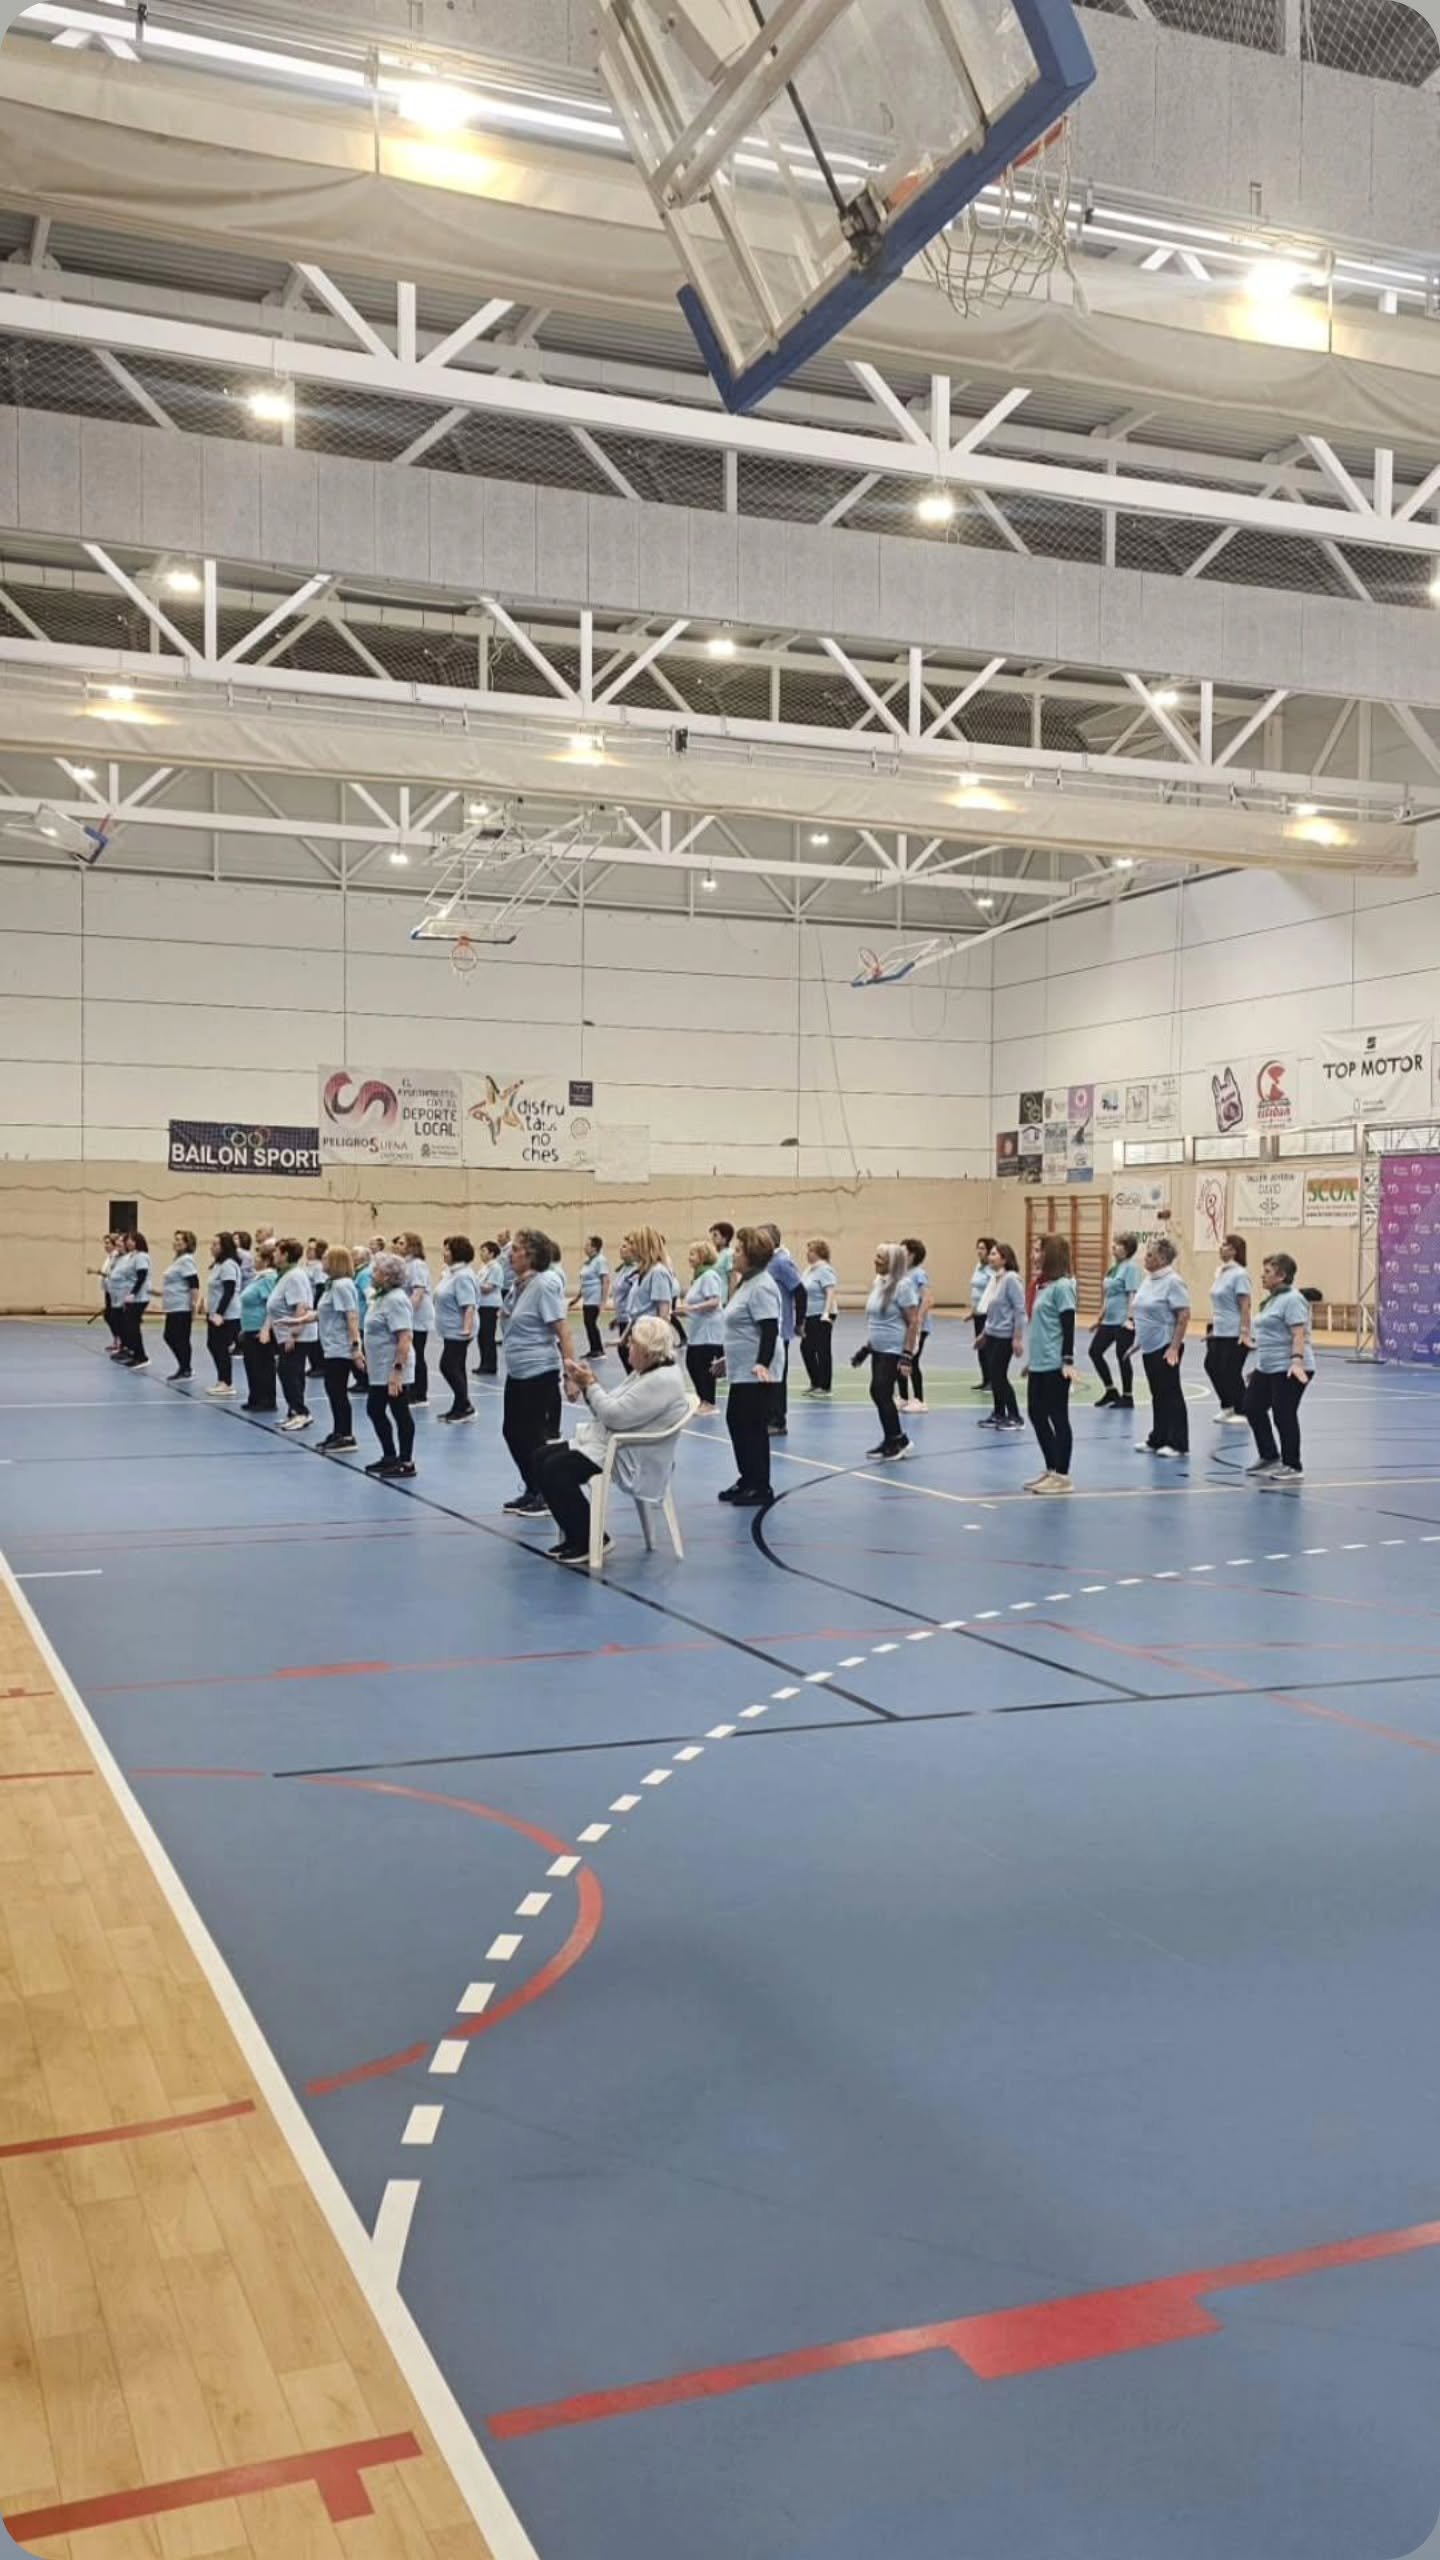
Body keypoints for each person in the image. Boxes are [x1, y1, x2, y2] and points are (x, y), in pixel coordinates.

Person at [531, 1315, 692, 1563]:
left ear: (648, 1352)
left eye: (633, 1344)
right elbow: (611, 1409)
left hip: (630, 1454)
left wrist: (590, 1385)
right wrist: (588, 1385)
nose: (627, 1347)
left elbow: (614, 1415)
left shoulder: (661, 1380)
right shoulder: (646, 1372)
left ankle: (591, 1540)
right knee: (540, 1457)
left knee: (556, 1469)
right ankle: (577, 1534)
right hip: (616, 1442)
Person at [500, 1229, 574, 1518]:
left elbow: (563, 1331)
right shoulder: (520, 1286)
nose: (509, 1253)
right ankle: (533, 1487)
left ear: (529, 1255)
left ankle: (546, 1493)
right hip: (517, 1370)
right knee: (511, 1432)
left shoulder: (544, 1285)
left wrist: (570, 1374)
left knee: (531, 1436)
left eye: (515, 1249)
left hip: (538, 1370)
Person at [719, 1226, 782, 1506]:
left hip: (757, 1373)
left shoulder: (762, 1286)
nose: (734, 1254)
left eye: (739, 1250)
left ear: (752, 1255)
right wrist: (727, 1360)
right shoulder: (747, 1282)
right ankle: (748, 1479)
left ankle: (761, 1485)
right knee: (737, 1422)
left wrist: (761, 1364)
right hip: (742, 1369)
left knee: (752, 1427)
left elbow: (769, 1330)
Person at [1245, 1253, 1314, 1486]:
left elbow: (1298, 1333)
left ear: (1282, 1275)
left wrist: (1296, 1361)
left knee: (1283, 1414)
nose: (1262, 1276)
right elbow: (1268, 1335)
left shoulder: (1293, 1299)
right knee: (1252, 1407)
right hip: (1268, 1366)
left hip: (1289, 1366)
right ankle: (1269, 1456)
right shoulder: (1272, 1300)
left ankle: (1293, 1465)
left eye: (1267, 1272)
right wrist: (1259, 1367)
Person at [856, 1242, 922, 1460]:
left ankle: (898, 1440)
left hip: (894, 1349)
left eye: (881, 1258)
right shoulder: (880, 1283)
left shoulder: (903, 1286)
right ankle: (893, 1438)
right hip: (879, 1349)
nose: (876, 1261)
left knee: (881, 1391)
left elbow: (913, 1321)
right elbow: (878, 1320)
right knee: (879, 1392)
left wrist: (907, 1355)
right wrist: (866, 1349)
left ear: (892, 1262)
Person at [1024, 1233, 1078, 1494]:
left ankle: (1063, 1476)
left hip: (1055, 1364)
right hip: (1039, 1363)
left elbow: (1068, 1326)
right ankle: (1052, 1468)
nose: (1033, 1255)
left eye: (1037, 1250)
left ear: (1050, 1255)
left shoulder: (1063, 1287)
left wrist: (1067, 1360)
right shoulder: (1043, 1286)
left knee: (1058, 1416)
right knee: (1036, 1413)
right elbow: (1040, 1328)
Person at [1132, 1236, 1191, 1458]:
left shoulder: (1173, 1282)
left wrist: (1174, 1347)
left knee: (1171, 1393)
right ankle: (1158, 1438)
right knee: (1157, 1394)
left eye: (1149, 1255)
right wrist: (1138, 1342)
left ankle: (1178, 1442)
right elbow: (1143, 1312)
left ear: (1163, 1259)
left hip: (1166, 1345)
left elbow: (1183, 1315)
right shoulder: (1149, 1280)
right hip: (1149, 1346)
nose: (1145, 1258)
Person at [362, 1250, 417, 1479]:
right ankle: (389, 1456)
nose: (372, 1274)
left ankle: (406, 1461)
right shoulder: (381, 1297)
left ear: (387, 1276)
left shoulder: (396, 1300)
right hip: (378, 1367)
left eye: (376, 1271)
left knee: (399, 1412)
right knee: (375, 1410)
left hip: (393, 1367)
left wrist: (397, 1372)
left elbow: (405, 1338)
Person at [264, 1237, 316, 1430]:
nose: (274, 1255)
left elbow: (300, 1305)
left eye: (277, 1252)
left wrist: (293, 1334)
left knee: (288, 1372)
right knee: (291, 1372)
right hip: (285, 1333)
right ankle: (294, 1411)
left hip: (295, 1335)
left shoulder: (295, 1276)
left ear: (285, 1255)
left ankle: (301, 1412)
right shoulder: (285, 1275)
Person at [976, 1243, 1026, 1431]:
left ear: (1005, 1258)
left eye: (994, 1254)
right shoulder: (995, 1279)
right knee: (994, 1375)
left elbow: (1019, 1310)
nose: (990, 1257)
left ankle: (1015, 1416)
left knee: (999, 1375)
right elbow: (992, 1310)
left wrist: (1017, 1337)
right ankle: (999, 1413)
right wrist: (983, 1334)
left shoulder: (1011, 1279)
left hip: (1005, 1336)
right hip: (993, 1334)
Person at [761, 1225, 804, 1436]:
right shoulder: (766, 1263)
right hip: (767, 1328)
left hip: (780, 1328)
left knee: (777, 1375)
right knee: (767, 1374)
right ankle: (768, 1415)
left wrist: (799, 1322)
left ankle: (778, 1420)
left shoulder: (781, 1263)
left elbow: (800, 1290)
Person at [317, 1245, 361, 1451]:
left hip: (340, 1346)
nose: (322, 1262)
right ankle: (338, 1430)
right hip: (330, 1344)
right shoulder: (332, 1285)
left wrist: (355, 1346)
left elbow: (351, 1316)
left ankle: (346, 1434)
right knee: (333, 1390)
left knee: (337, 1390)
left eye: (326, 1258)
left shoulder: (342, 1285)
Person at [1205, 1232, 1253, 1423]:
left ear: (1234, 1250)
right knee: (1211, 1366)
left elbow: (1245, 1305)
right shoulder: (1220, 1272)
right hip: (1219, 1329)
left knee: (1230, 1371)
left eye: (1225, 1245)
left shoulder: (1240, 1275)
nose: (1221, 1248)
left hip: (1234, 1330)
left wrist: (1244, 1331)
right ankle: (1227, 1406)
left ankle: (1243, 1410)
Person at [1091, 1232, 1141, 1411]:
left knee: (1123, 1357)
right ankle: (1110, 1390)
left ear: (1127, 1249)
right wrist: (1100, 1316)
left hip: (1122, 1321)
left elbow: (1132, 1295)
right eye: (1114, 1243)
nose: (1114, 1246)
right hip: (1109, 1321)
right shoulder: (1113, 1269)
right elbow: (1108, 1295)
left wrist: (1130, 1318)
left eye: (1118, 1244)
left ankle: (1128, 1396)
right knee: (1095, 1352)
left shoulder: (1131, 1268)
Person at [435, 1235, 480, 1422]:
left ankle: (466, 1405)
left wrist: (466, 1328)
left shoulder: (463, 1276)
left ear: (456, 1252)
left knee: (447, 1366)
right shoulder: (451, 1273)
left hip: (459, 1330)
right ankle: (460, 1405)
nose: (443, 1253)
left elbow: (469, 1304)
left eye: (447, 1249)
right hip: (449, 1328)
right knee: (458, 1367)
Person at [618, 1229, 678, 1370]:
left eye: (633, 1243)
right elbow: (636, 1311)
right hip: (639, 1337)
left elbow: (663, 1314)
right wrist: (624, 1337)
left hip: (650, 1343)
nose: (629, 1247)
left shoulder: (658, 1273)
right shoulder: (642, 1273)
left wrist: (657, 1347)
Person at [682, 1239, 726, 1408]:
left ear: (702, 1256)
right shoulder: (698, 1278)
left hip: (708, 1331)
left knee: (702, 1365)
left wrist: (692, 1308)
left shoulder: (709, 1276)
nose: (689, 1258)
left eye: (692, 1254)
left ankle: (709, 1402)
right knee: (693, 1363)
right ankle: (703, 1399)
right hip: (697, 1329)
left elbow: (714, 1301)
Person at [238, 1244, 278, 1411]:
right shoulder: (258, 1277)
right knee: (252, 1365)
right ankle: (255, 1397)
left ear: (267, 1261)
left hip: (260, 1327)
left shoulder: (269, 1278)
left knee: (262, 1366)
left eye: (258, 1258)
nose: (255, 1260)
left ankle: (266, 1399)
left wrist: (265, 1328)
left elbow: (271, 1304)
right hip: (250, 1326)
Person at [396, 1232, 434, 1408]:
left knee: (417, 1353)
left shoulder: (417, 1265)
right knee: (411, 1354)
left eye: (402, 1243)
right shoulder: (405, 1264)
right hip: (408, 1315)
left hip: (417, 1317)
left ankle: (420, 1394)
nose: (398, 1245)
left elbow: (417, 1293)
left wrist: (406, 1313)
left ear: (412, 1246)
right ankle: (410, 1389)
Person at [898, 1237, 933, 1415]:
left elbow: (927, 1298)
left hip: (918, 1326)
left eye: (903, 1251)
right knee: (899, 1359)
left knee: (912, 1360)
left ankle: (919, 1399)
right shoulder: (901, 1275)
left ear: (912, 1255)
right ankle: (903, 1397)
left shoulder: (919, 1274)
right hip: (903, 1325)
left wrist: (918, 1319)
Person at [799, 1238, 839, 1395]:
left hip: (822, 1314)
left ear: (819, 1253)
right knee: (806, 1348)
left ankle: (825, 1385)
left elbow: (830, 1292)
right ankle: (815, 1381)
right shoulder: (809, 1270)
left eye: (811, 1251)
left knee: (822, 1349)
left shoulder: (825, 1270)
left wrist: (826, 1313)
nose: (807, 1254)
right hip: (809, 1314)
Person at [205, 1232, 242, 1394]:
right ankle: (222, 1379)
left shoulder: (228, 1264)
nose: (212, 1248)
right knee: (213, 1345)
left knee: (220, 1346)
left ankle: (226, 1382)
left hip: (228, 1315)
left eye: (216, 1244)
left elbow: (229, 1290)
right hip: (215, 1313)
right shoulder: (218, 1265)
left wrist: (220, 1313)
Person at [160, 1229, 200, 1378]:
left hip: (182, 1306)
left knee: (178, 1337)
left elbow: (194, 1283)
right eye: (175, 1239)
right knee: (171, 1336)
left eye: (180, 1240)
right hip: (173, 1305)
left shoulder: (186, 1260)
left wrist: (194, 1304)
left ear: (187, 1244)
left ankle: (185, 1367)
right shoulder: (178, 1260)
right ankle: (184, 1366)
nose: (176, 1242)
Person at [115, 1229, 152, 1367]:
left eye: (130, 1239)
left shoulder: (141, 1256)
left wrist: (133, 1293)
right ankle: (135, 1353)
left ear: (137, 1241)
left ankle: (141, 1356)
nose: (127, 1242)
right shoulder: (132, 1256)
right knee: (129, 1326)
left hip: (139, 1297)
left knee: (132, 1327)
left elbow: (141, 1277)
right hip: (130, 1296)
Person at [575, 1236, 609, 1359]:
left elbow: (605, 1281)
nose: (585, 1247)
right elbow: (584, 1282)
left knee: (591, 1323)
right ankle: (593, 1349)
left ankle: (599, 1349)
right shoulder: (588, 1262)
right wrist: (577, 1298)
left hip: (594, 1298)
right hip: (587, 1298)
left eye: (587, 1245)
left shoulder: (600, 1261)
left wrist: (603, 1302)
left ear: (594, 1248)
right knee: (588, 1324)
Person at [968, 1237, 995, 1387]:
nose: (979, 1251)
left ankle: (993, 1380)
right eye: (978, 1247)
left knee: (988, 1348)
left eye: (983, 1248)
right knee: (981, 1349)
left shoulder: (992, 1269)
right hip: (978, 1313)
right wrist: (973, 1310)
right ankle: (985, 1379)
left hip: (988, 1313)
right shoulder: (978, 1266)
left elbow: (992, 1290)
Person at [476, 1242, 503, 1379]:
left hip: (490, 1305)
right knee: (481, 1336)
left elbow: (489, 1287)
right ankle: (483, 1363)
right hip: (481, 1305)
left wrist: (474, 1284)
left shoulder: (496, 1268)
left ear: (492, 1253)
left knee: (488, 1336)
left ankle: (491, 1365)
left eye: (484, 1251)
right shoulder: (484, 1267)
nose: (481, 1253)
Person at [303, 1238, 329, 1377]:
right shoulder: (307, 1266)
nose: (308, 1251)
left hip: (314, 1304)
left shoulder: (318, 1267)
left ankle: (320, 1365)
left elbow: (320, 1288)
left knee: (317, 1338)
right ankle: (313, 1364)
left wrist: (314, 1306)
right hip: (307, 1304)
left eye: (312, 1249)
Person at [710, 1220, 736, 1297]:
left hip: (723, 1298)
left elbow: (732, 1278)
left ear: (725, 1237)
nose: (712, 1238)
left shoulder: (729, 1254)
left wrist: (732, 1298)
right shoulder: (715, 1254)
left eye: (715, 1235)